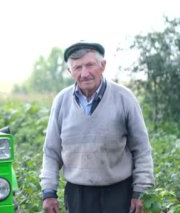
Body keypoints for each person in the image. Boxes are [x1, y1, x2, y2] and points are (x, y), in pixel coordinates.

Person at [39, 41, 154, 213]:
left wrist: (141, 191)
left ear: (103, 65)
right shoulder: (61, 101)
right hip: (79, 194)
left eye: (90, 65)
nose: (85, 73)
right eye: (77, 67)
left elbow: (142, 149)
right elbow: (51, 152)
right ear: (70, 72)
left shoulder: (124, 97)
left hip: (119, 192)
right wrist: (49, 192)